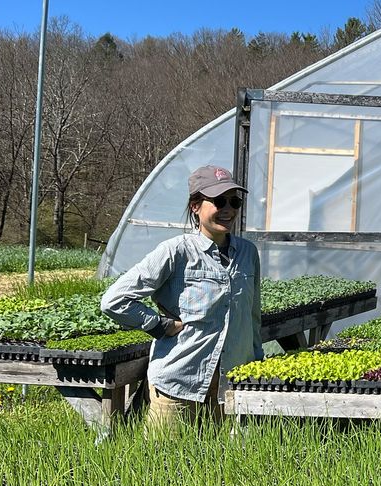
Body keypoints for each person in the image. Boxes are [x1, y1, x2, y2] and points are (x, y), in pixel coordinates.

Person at [101, 165, 263, 430]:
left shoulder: (247, 253)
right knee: (165, 466)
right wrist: (159, 325)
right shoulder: (175, 252)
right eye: (219, 201)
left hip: (231, 385)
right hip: (179, 383)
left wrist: (256, 368)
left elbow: (252, 317)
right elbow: (115, 300)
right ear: (195, 206)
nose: (229, 209)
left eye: (235, 201)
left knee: (226, 468)